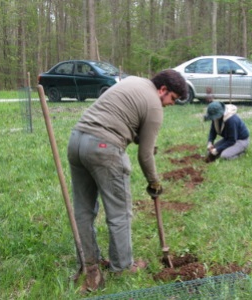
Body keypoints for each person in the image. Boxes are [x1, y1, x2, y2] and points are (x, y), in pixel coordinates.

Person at [67, 69, 187, 292]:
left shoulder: (134, 81)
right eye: (173, 98)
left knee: (83, 211)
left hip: (76, 140)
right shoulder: (154, 106)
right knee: (120, 212)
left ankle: (89, 263)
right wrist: (154, 182)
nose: (171, 104)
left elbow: (125, 119)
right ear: (163, 89)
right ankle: (122, 266)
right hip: (104, 148)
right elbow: (145, 154)